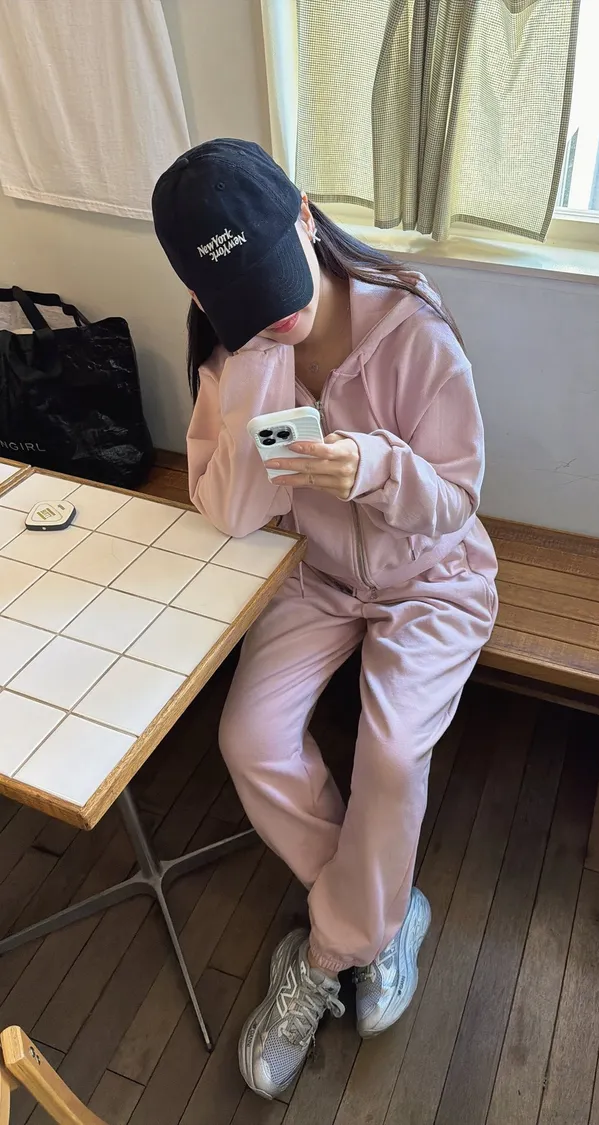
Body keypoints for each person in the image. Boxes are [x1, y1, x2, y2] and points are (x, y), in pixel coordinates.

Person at [151, 139, 497, 1102]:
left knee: (392, 750)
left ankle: (324, 949)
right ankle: (383, 914)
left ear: (304, 215)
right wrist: (258, 365)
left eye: (277, 273)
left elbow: (458, 500)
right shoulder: (239, 347)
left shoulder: (412, 329)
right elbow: (232, 512)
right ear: (202, 296)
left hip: (433, 574)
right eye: (242, 299)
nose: (278, 310)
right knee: (248, 738)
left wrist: (374, 467)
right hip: (318, 575)